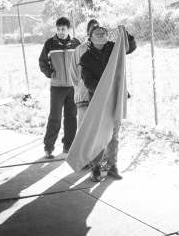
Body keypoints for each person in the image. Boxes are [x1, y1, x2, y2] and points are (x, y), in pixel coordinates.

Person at [80, 23, 137, 181]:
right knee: (99, 135)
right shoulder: (86, 58)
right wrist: (105, 87)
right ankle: (95, 168)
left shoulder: (114, 48)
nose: (100, 33)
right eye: (96, 32)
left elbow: (131, 47)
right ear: (90, 38)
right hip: (99, 101)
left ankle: (113, 166)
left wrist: (125, 34)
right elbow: (88, 82)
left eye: (103, 31)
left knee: (114, 135)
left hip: (116, 98)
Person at [39, 16, 81, 159]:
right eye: (58, 29)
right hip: (57, 87)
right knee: (54, 117)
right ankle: (48, 148)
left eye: (63, 29)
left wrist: (79, 78)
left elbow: (82, 61)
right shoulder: (50, 44)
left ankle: (68, 146)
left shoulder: (76, 43)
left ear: (69, 29)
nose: (61, 32)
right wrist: (51, 73)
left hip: (73, 87)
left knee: (71, 117)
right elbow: (42, 62)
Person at [70, 18, 99, 123]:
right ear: (88, 32)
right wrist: (79, 90)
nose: (96, 30)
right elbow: (73, 73)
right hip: (84, 97)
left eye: (98, 28)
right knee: (83, 131)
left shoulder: (106, 49)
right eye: (93, 28)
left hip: (100, 96)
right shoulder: (80, 50)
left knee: (98, 131)